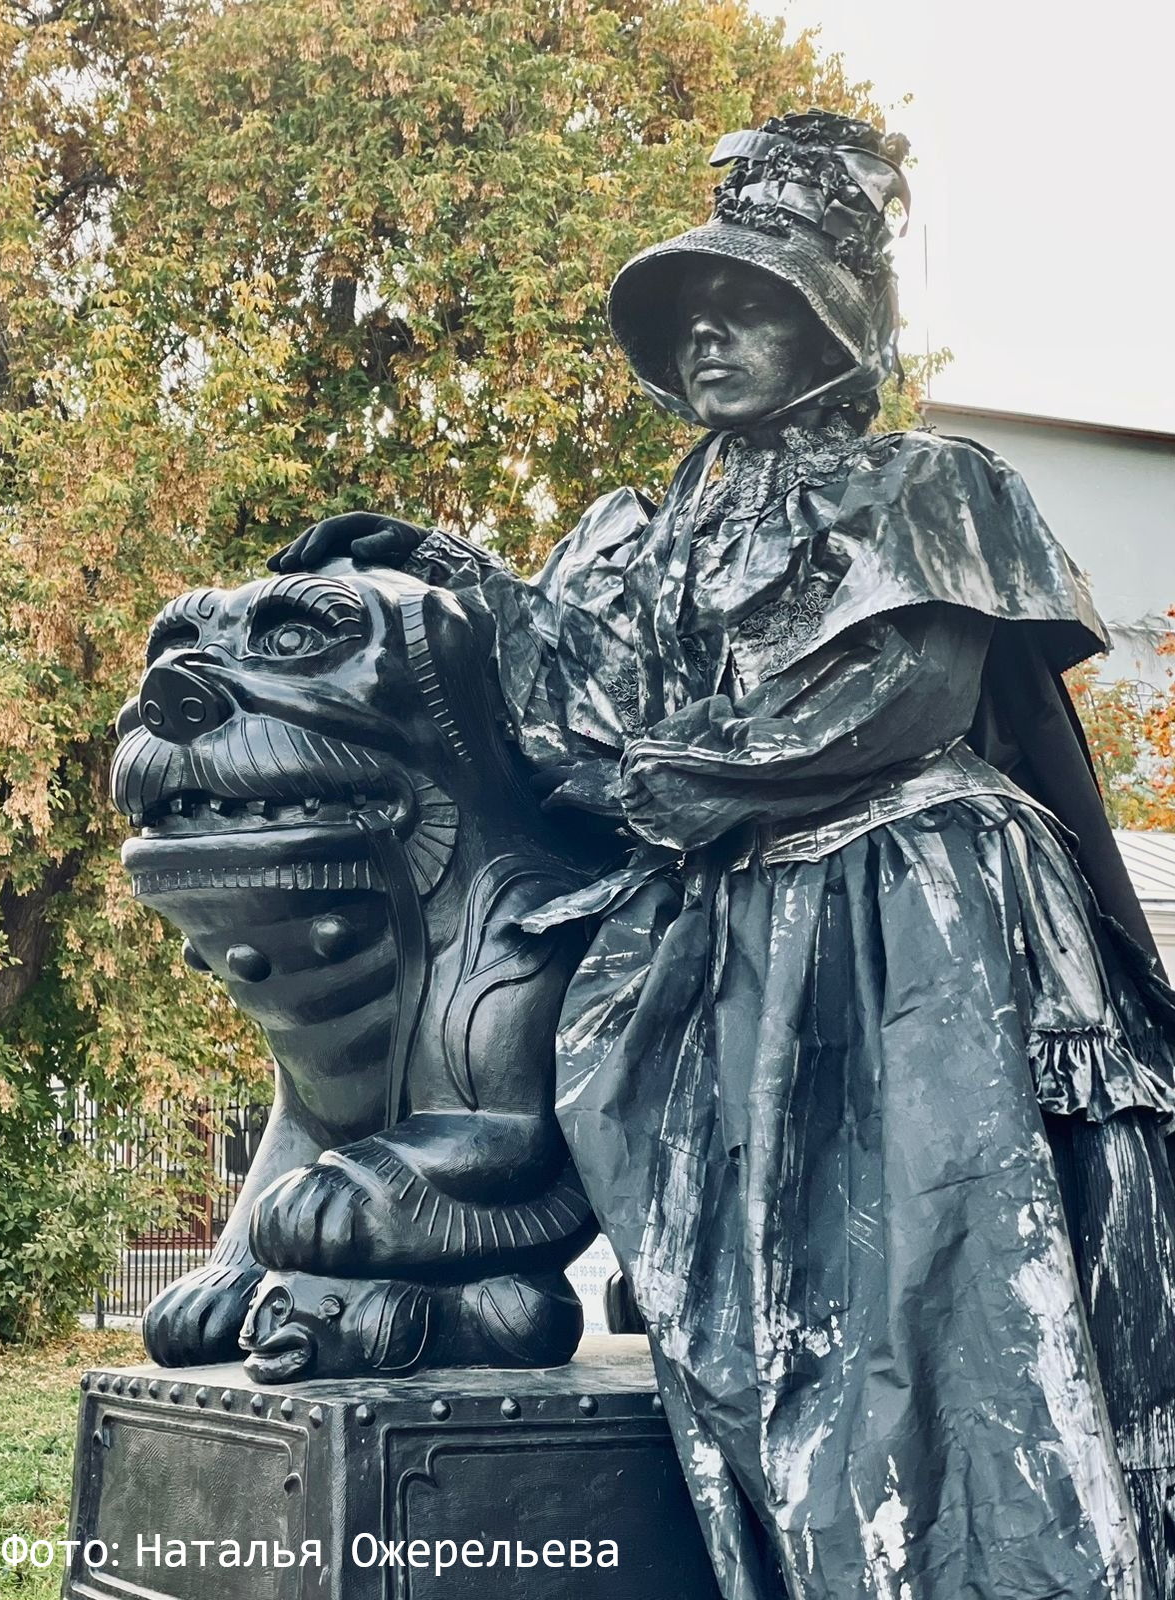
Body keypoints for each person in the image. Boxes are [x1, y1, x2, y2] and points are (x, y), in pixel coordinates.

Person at [271, 111, 1175, 1600]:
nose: (705, 338)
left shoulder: (926, 488)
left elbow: (899, 699)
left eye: (745, 305)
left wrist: (682, 779)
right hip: (734, 929)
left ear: (831, 322)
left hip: (909, 909)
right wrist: (455, 581)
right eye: (689, 313)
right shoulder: (649, 533)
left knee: (934, 1275)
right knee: (764, 1302)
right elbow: (572, 697)